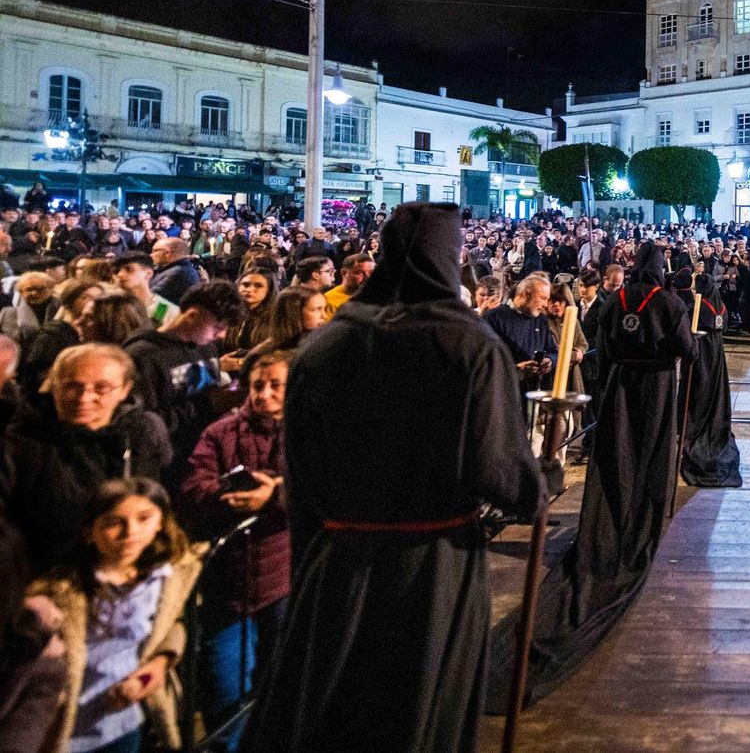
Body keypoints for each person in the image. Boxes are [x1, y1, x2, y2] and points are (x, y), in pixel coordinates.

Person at [242, 203, 554, 753]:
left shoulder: (325, 343)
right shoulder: (468, 345)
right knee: (415, 710)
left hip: (336, 556)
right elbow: (498, 473)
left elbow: (301, 466)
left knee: (333, 711)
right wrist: (539, 483)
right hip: (432, 564)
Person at [515, 240, 695, 705]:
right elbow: (685, 347)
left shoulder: (616, 300)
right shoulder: (672, 302)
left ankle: (611, 505)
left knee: (617, 450)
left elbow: (597, 338)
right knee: (652, 450)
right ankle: (645, 511)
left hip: (619, 387)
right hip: (654, 386)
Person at [27, 478, 202, 753]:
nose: (130, 532)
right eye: (113, 522)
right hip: (61, 725)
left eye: (144, 518)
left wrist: (154, 669)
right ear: (89, 531)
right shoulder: (60, 591)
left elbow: (171, 623)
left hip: (121, 721)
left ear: (160, 522)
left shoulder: (168, 578)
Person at [180, 350, 291, 746]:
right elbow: (194, 484)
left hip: (283, 579)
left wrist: (274, 497)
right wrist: (228, 494)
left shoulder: (305, 431)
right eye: (257, 385)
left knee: (279, 684)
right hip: (229, 581)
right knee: (224, 687)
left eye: (276, 385)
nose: (264, 394)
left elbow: (320, 489)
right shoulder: (221, 432)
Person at [0, 344, 172, 576]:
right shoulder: (18, 444)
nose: (84, 398)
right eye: (72, 386)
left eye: (101, 388)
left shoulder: (142, 434)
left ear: (125, 389)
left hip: (125, 578)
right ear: (54, 387)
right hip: (46, 582)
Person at [124, 281, 244, 477]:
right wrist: (206, 405)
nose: (221, 335)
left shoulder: (206, 347)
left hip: (203, 455)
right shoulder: (143, 356)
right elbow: (140, 421)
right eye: (217, 327)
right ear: (192, 316)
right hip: (166, 463)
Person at [674, 273, 741, 487]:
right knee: (715, 391)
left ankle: (693, 427)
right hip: (717, 356)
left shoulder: (699, 307)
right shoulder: (721, 308)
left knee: (698, 392)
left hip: (702, 356)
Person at [110, 255, 178, 327]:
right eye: (116, 271)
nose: (120, 274)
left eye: (129, 269)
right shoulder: (109, 305)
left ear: (148, 274)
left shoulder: (163, 309)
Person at [147, 238, 202, 305]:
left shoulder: (179, 273)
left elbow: (150, 298)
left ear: (167, 253)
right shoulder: (168, 269)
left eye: (154, 251)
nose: (151, 255)